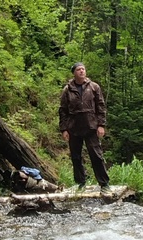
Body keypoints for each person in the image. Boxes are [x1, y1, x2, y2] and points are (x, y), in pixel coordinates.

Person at [58, 62, 110, 194]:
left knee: (96, 156)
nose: (82, 71)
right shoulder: (67, 90)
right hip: (73, 128)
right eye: (79, 69)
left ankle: (104, 184)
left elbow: (101, 107)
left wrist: (101, 125)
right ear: (74, 73)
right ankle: (81, 183)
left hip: (91, 126)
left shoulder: (94, 87)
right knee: (76, 157)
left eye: (83, 69)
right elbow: (63, 110)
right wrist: (64, 129)